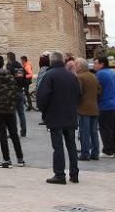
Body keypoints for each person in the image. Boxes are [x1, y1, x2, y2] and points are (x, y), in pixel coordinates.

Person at [36, 51, 81, 185]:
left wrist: (44, 111)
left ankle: (60, 174)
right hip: (70, 115)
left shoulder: (49, 75)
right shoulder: (72, 76)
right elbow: (78, 94)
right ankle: (74, 173)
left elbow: (42, 97)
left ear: (51, 61)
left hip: (55, 116)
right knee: (71, 145)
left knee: (58, 146)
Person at [0, 55, 24, 168]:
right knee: (14, 134)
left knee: (2, 135)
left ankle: (6, 159)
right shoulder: (11, 77)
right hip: (10, 109)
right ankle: (20, 158)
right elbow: (15, 92)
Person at [94, 56, 115, 158]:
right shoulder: (111, 73)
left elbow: (96, 89)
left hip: (105, 105)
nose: (94, 65)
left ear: (102, 64)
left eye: (96, 63)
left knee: (106, 129)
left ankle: (108, 150)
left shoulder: (100, 74)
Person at [74, 57, 101, 161]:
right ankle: (95, 152)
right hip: (94, 107)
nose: (75, 67)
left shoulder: (79, 77)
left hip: (83, 108)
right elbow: (99, 90)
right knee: (93, 131)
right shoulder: (93, 76)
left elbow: (78, 92)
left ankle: (85, 153)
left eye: (76, 65)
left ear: (80, 66)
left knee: (84, 131)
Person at [5, 52, 28, 137]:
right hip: (20, 91)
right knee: (21, 113)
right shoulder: (20, 67)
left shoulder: (9, 67)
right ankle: (23, 131)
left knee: (12, 113)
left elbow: (6, 79)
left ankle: (13, 132)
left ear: (9, 58)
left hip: (11, 92)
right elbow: (25, 79)